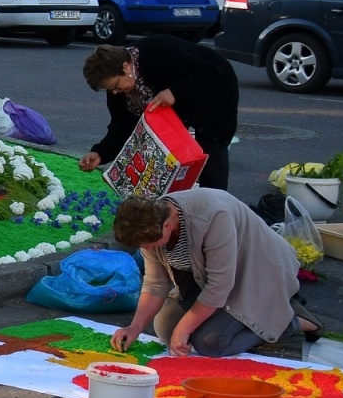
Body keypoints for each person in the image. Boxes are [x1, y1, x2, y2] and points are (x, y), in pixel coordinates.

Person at [110, 190, 320, 358]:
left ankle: (287, 319)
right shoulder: (151, 227)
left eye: (149, 244)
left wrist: (183, 330)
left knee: (210, 344)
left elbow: (219, 287)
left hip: (255, 274)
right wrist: (135, 327)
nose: (146, 248)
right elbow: (156, 284)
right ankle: (264, 313)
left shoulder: (212, 217)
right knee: (165, 328)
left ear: (166, 226)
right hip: (209, 278)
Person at [78, 37, 239, 190]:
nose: (114, 92)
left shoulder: (157, 52)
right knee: (167, 163)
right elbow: (121, 127)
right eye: (110, 89)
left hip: (214, 94)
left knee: (211, 159)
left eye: (115, 85)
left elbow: (212, 72)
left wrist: (175, 92)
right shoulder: (117, 90)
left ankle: (216, 207)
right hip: (177, 111)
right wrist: (100, 153)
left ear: (126, 66)